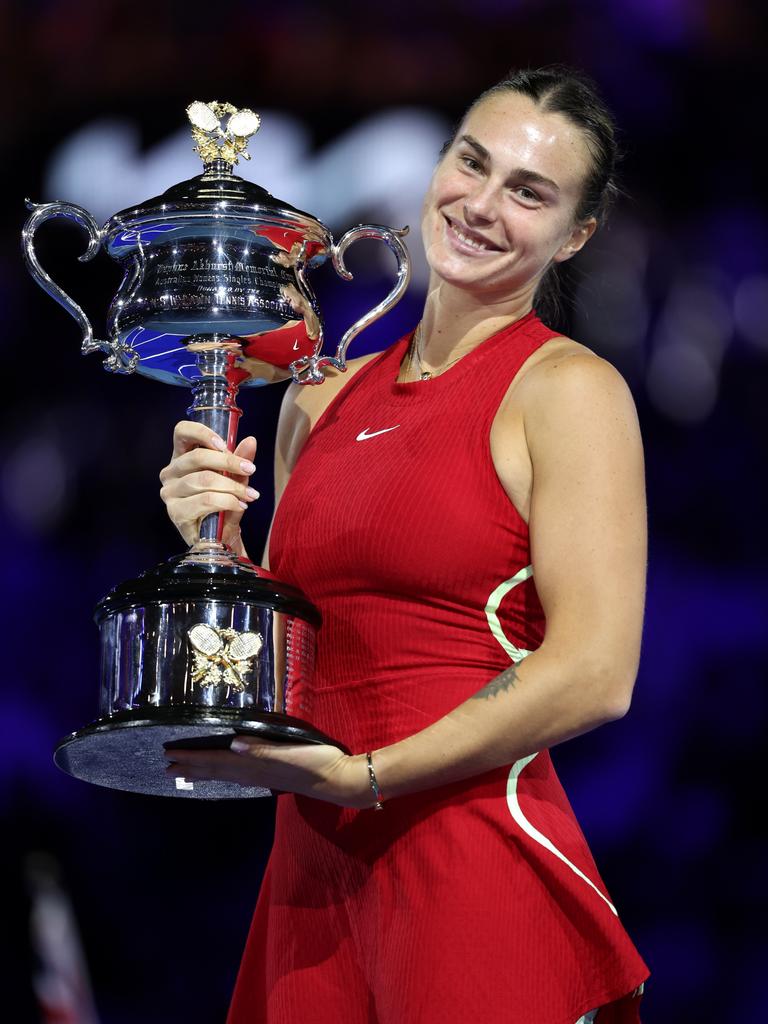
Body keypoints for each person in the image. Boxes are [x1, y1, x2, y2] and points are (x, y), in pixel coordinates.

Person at [160, 66, 650, 1024]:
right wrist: (210, 547)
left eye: (529, 191)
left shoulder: (569, 392)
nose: (481, 204)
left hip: (470, 869)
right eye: (472, 163)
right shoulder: (318, 395)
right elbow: (298, 656)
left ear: (575, 233)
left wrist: (367, 777)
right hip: (310, 886)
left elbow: (597, 672)